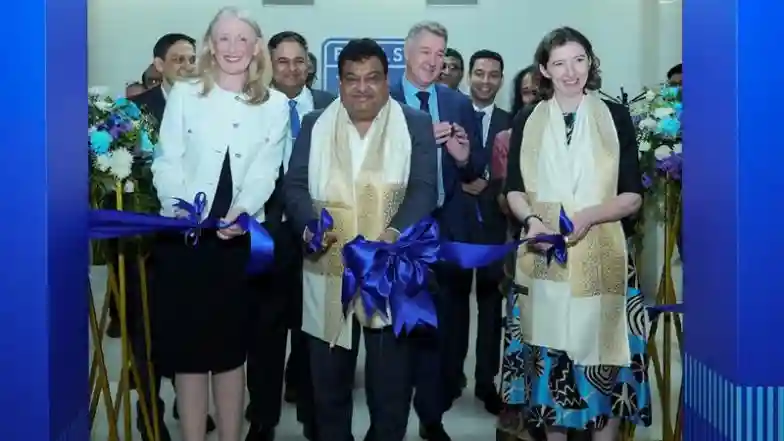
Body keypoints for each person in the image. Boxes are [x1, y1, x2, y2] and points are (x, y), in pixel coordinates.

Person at [501, 27, 652, 441]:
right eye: (559, 63)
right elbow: (513, 189)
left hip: (603, 255)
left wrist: (589, 216)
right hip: (543, 258)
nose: (571, 72)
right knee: (549, 370)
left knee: (606, 365)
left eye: (579, 60)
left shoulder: (614, 116)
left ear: (591, 62)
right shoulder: (527, 119)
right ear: (544, 70)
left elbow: (632, 196)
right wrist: (532, 221)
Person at [284, 38, 438, 441]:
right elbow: (295, 185)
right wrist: (308, 227)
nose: (362, 88)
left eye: (373, 78)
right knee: (328, 387)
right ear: (339, 83)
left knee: (391, 388)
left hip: (390, 270)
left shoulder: (414, 123)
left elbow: (424, 189)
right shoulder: (316, 124)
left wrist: (392, 236)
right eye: (352, 79)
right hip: (327, 267)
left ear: (387, 80)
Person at [150, 7, 289, 441]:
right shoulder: (185, 94)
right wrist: (179, 209)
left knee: (231, 355)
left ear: (256, 47)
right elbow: (167, 160)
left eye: (242, 39)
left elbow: (266, 171)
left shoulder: (275, 104)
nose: (232, 48)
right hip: (184, 243)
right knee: (189, 357)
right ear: (210, 44)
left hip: (237, 243)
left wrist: (243, 211)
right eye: (224, 38)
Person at [119, 32, 219, 441]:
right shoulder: (134, 111)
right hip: (144, 244)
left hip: (194, 243)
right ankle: (150, 414)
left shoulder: (210, 107)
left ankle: (187, 399)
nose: (188, 66)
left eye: (193, 58)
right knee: (145, 332)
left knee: (189, 325)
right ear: (158, 66)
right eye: (178, 59)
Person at [390, 21, 484, 441]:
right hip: (398, 232)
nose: (433, 61)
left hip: (447, 230)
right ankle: (390, 421)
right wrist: (418, 141)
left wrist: (463, 158)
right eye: (425, 52)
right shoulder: (383, 99)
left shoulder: (456, 102)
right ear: (406, 54)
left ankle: (431, 417)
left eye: (440, 53)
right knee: (397, 331)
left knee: (439, 332)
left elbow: (476, 166)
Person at [244, 30, 335, 441]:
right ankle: (263, 417)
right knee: (265, 332)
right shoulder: (252, 106)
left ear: (310, 65)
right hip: (268, 235)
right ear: (269, 64)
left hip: (319, 234)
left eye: (299, 61)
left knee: (314, 331)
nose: (292, 69)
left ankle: (313, 416)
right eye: (283, 61)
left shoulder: (331, 105)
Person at [447, 49, 510, 416]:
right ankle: (451, 376)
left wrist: (488, 183)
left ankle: (487, 382)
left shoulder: (510, 120)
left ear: (501, 79)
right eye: (480, 73)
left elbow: (514, 172)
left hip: (494, 224)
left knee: (491, 308)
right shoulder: (453, 113)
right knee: (453, 305)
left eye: (493, 74)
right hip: (456, 223)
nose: (486, 81)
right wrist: (463, 178)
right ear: (469, 75)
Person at [492, 65, 539, 219]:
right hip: (523, 221)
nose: (533, 99)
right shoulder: (505, 139)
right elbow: (503, 202)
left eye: (537, 92)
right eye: (526, 93)